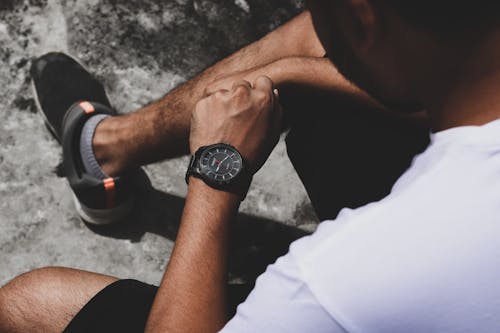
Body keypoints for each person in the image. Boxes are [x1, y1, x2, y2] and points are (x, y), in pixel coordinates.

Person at [1, 0, 500, 332]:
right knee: (318, 64)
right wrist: (289, 73)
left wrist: (217, 170)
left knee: (30, 304)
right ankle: (105, 148)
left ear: (360, 21)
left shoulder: (335, 276)